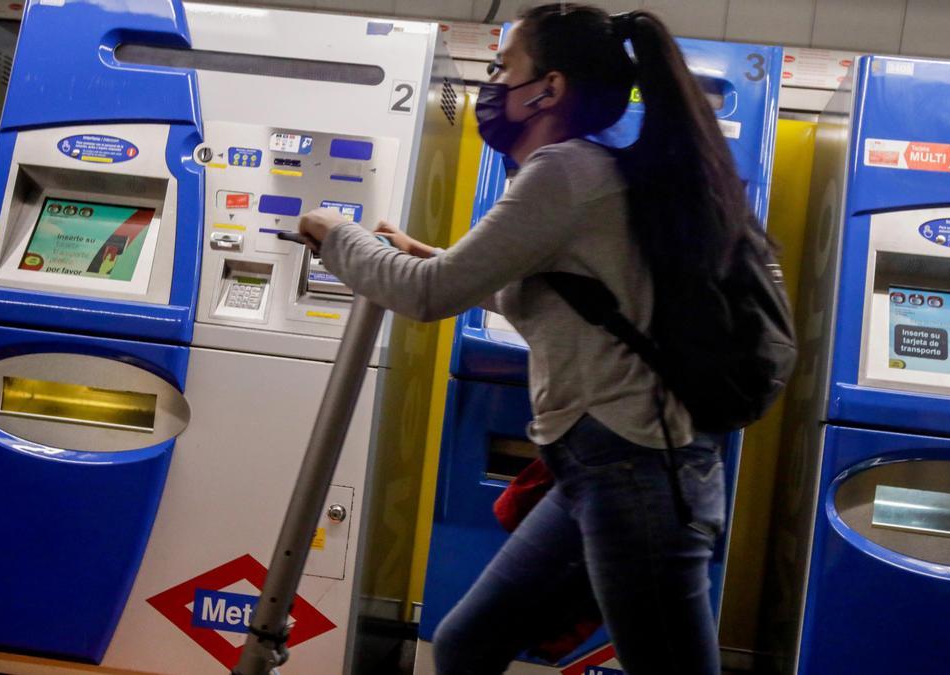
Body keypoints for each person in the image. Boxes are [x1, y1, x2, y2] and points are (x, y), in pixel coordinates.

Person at [298, 5, 754, 673]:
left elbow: (428, 298)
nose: (490, 83)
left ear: (550, 88)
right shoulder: (595, 169)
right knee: (465, 644)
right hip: (604, 466)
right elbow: (555, 293)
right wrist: (431, 255)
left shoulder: (562, 173)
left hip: (638, 473)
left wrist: (333, 234)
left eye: (502, 67)